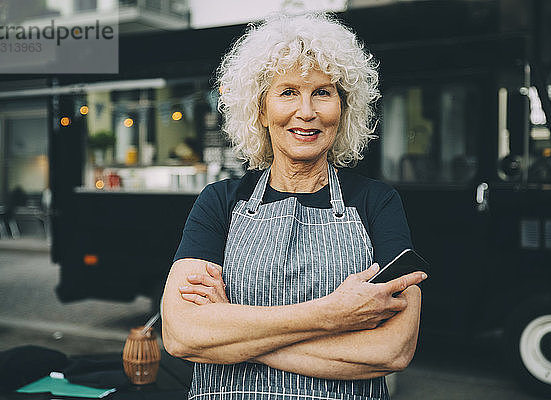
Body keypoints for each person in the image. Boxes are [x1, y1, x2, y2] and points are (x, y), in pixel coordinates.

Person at [162, 13, 427, 400]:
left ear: (343, 108)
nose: (307, 111)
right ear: (261, 111)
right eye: (287, 92)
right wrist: (333, 315)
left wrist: (231, 337)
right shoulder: (219, 202)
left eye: (323, 92)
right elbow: (182, 335)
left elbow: (393, 349)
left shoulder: (379, 203)